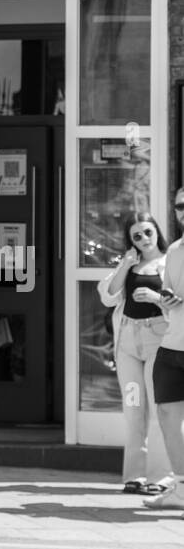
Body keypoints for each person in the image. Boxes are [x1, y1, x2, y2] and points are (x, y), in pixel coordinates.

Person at [98, 211, 175, 494]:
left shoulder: (172, 262)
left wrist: (157, 298)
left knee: (157, 408)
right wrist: (125, 265)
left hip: (158, 339)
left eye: (147, 232)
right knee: (133, 407)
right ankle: (135, 475)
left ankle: (160, 477)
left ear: (157, 231)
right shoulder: (129, 264)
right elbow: (108, 294)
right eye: (136, 236)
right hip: (129, 342)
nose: (143, 239)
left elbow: (180, 302)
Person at [143, 187, 184, 509]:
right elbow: (171, 303)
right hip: (172, 346)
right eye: (180, 206)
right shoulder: (175, 250)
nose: (183, 211)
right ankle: (181, 487)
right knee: (168, 416)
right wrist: (163, 299)